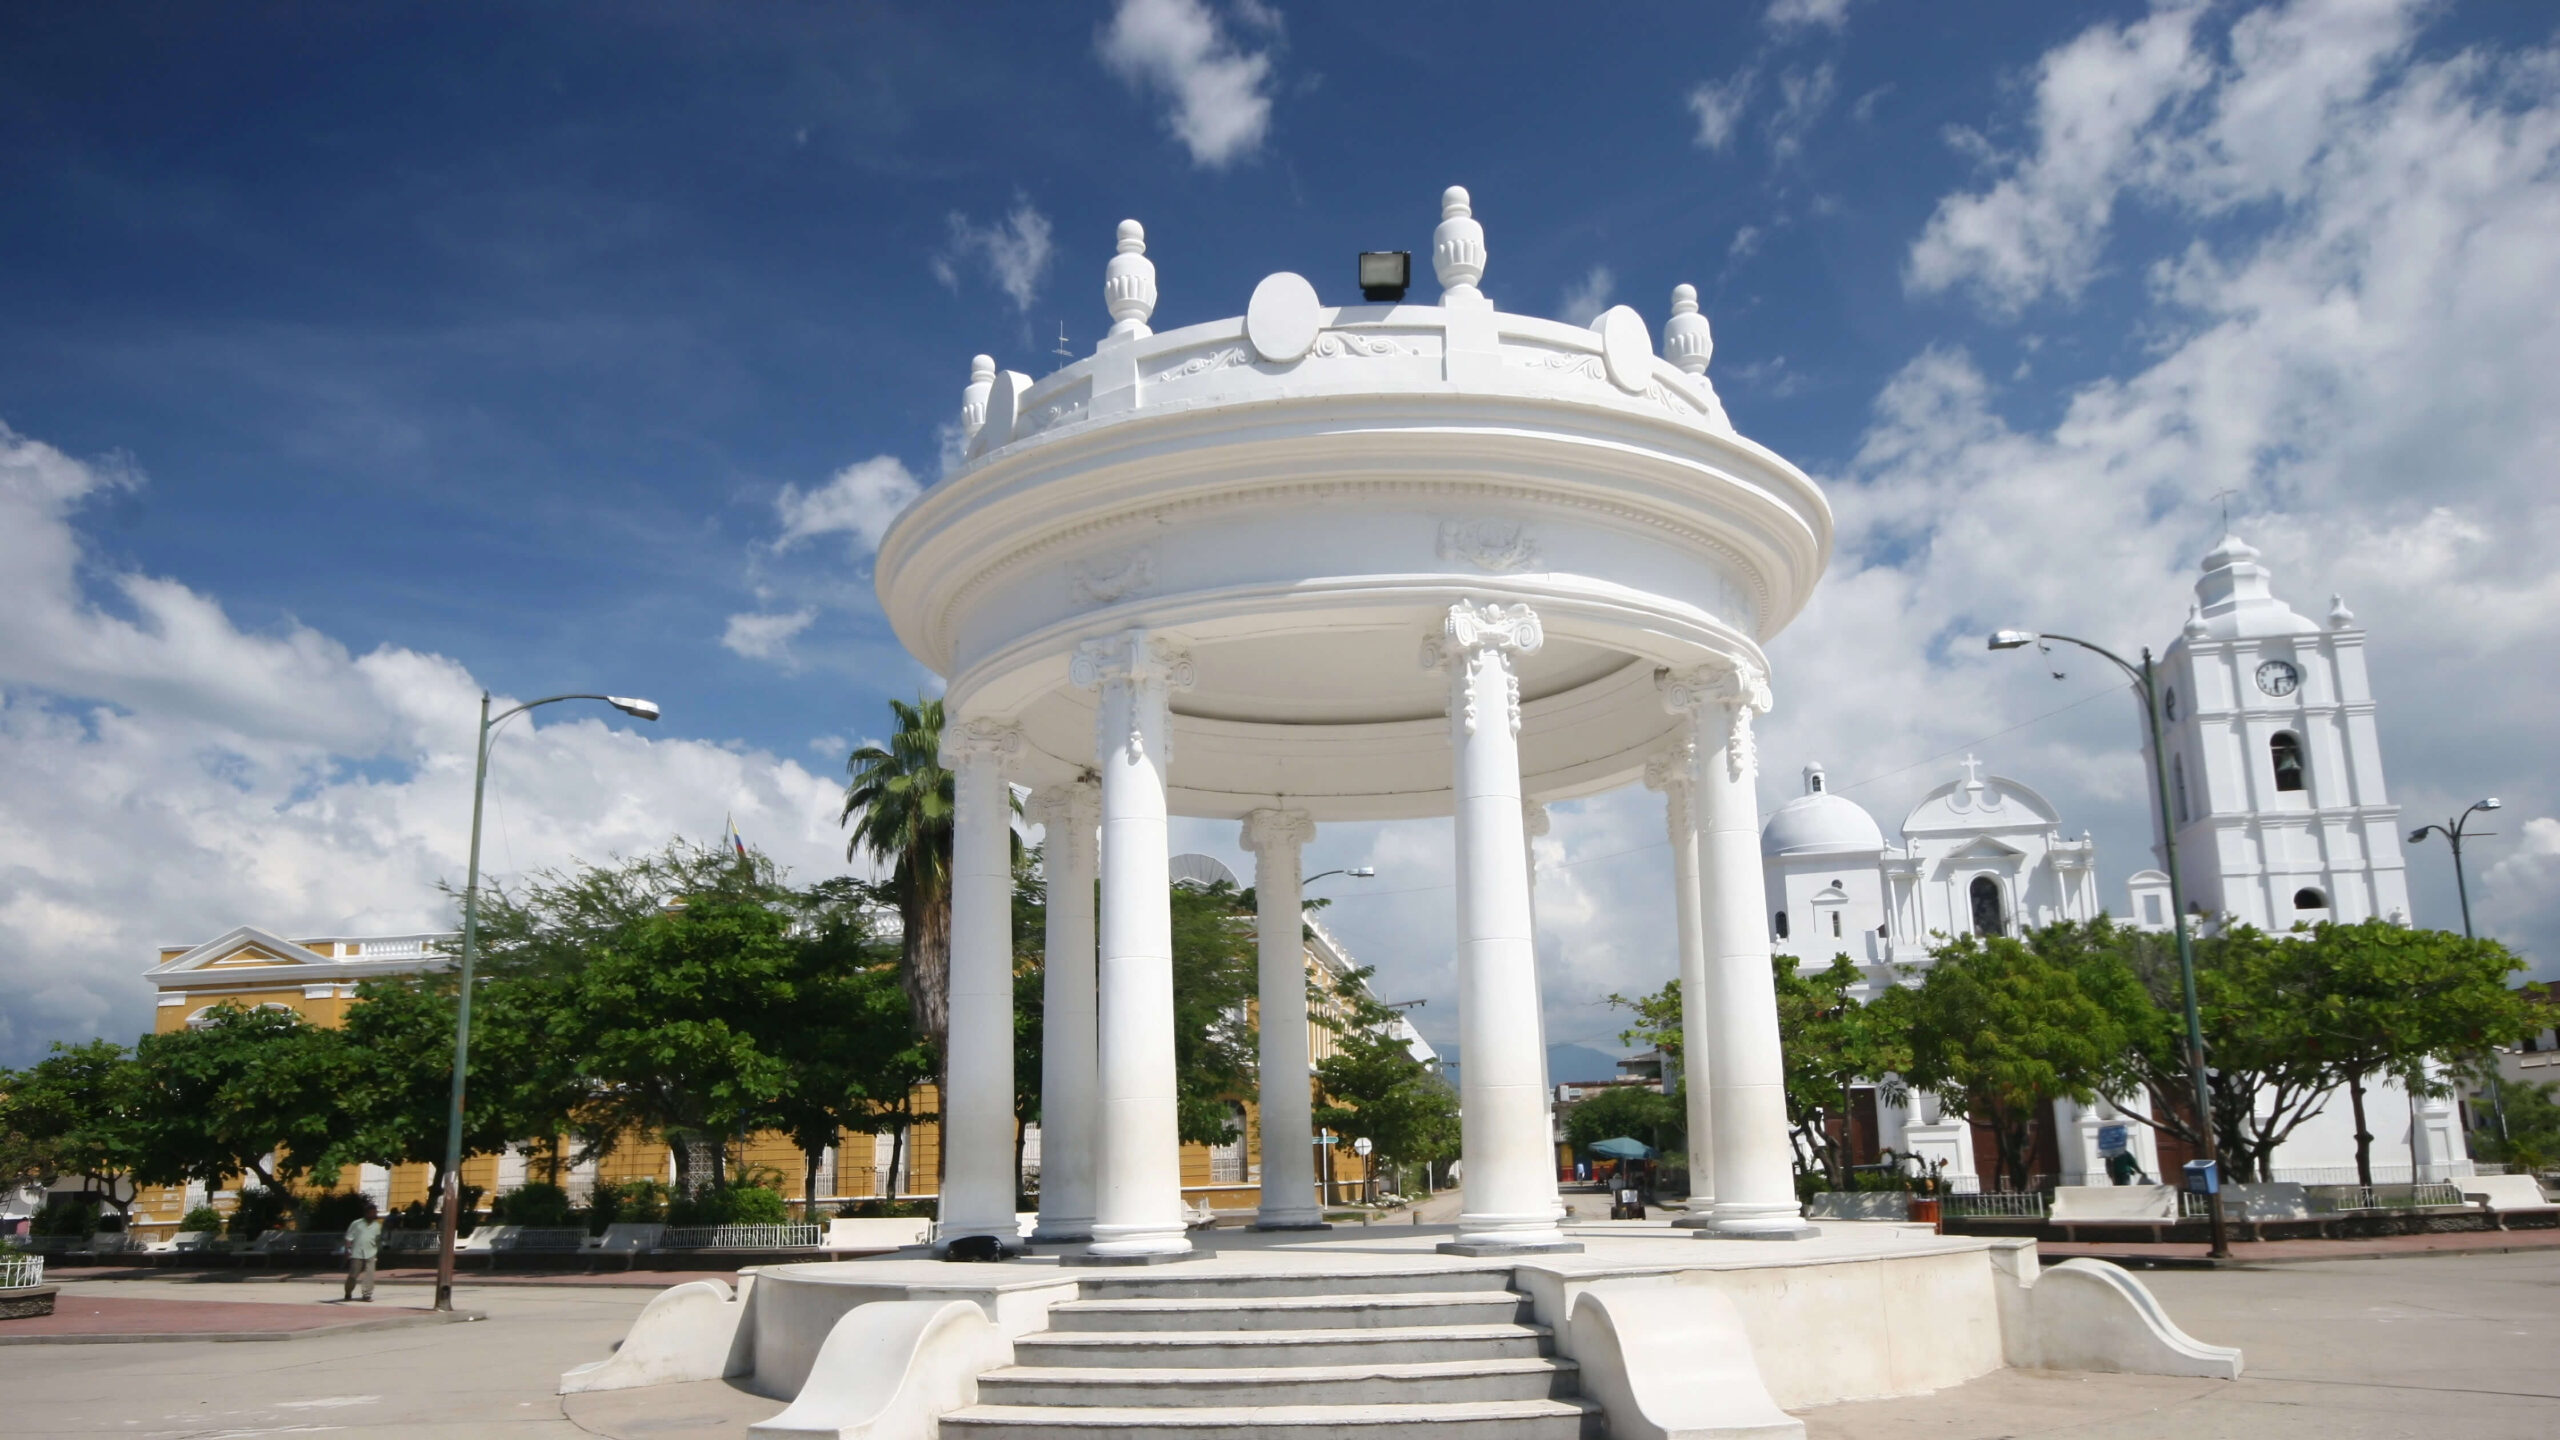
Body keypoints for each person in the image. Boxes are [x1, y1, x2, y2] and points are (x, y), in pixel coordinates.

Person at [342, 1199, 383, 1303]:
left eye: (375, 1212)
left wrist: (378, 1250)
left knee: (369, 1275)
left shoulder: (377, 1226)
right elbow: (349, 1237)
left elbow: (377, 1239)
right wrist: (347, 1250)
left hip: (371, 1253)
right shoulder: (356, 1224)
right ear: (366, 1213)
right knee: (353, 1275)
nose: (374, 1214)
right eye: (372, 1212)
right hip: (357, 1253)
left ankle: (367, 1294)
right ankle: (348, 1291)